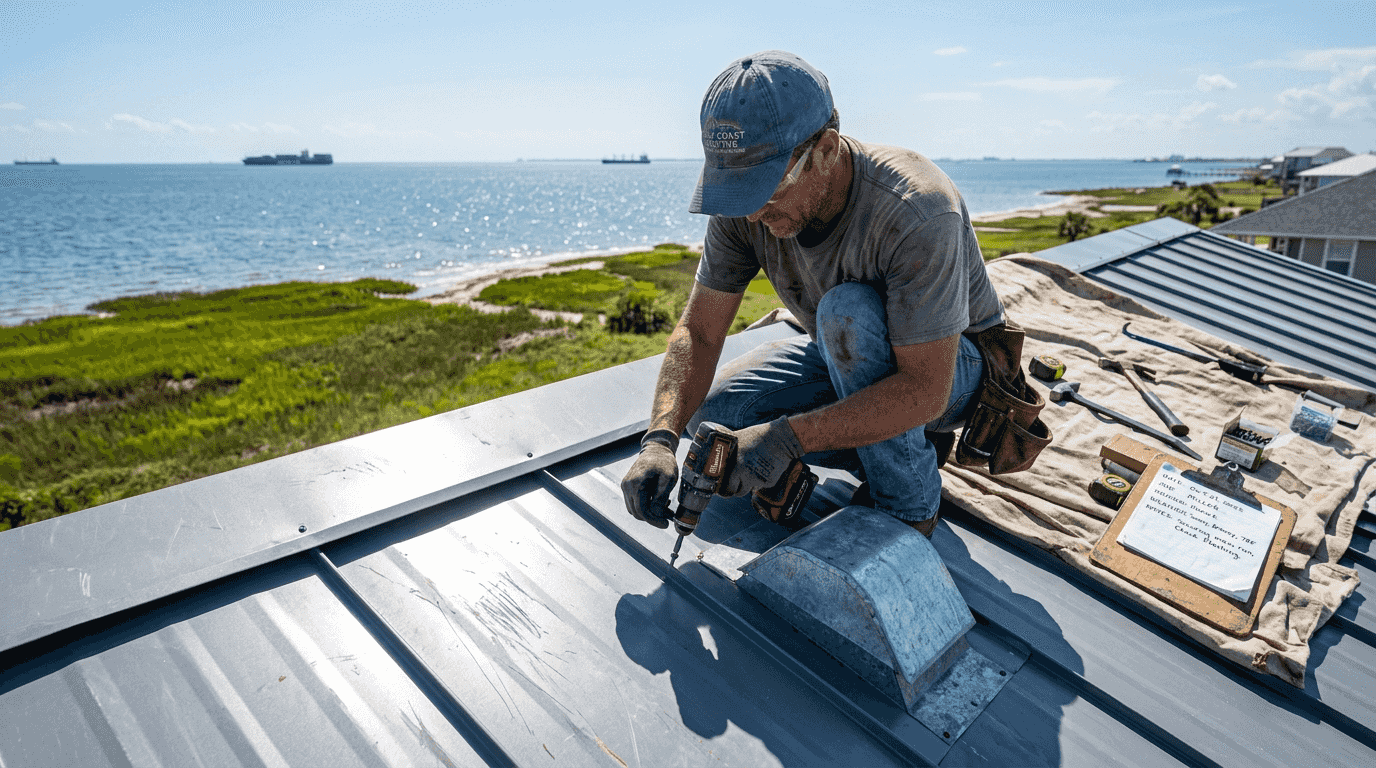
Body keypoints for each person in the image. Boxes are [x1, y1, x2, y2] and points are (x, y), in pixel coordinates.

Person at [622, 50, 1005, 537]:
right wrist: (660, 438)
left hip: (949, 372)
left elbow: (926, 389)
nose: (752, 212)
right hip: (844, 353)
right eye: (739, 190)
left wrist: (786, 439)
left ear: (825, 150)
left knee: (846, 313)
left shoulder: (917, 208)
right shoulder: (745, 209)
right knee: (713, 416)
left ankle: (909, 508)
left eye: (766, 187)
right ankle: (883, 441)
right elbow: (699, 332)